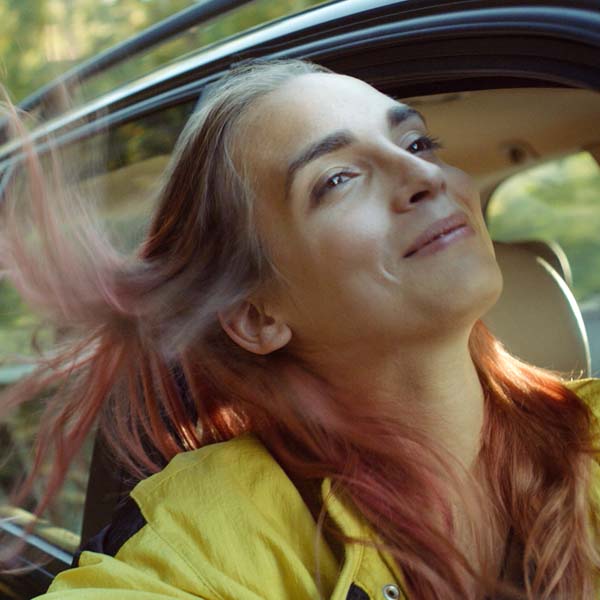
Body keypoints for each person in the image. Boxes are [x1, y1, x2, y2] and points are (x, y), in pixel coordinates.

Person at [1, 58, 599, 600]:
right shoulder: (225, 529)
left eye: (417, 141)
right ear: (258, 317)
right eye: (336, 179)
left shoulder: (589, 436)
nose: (424, 175)